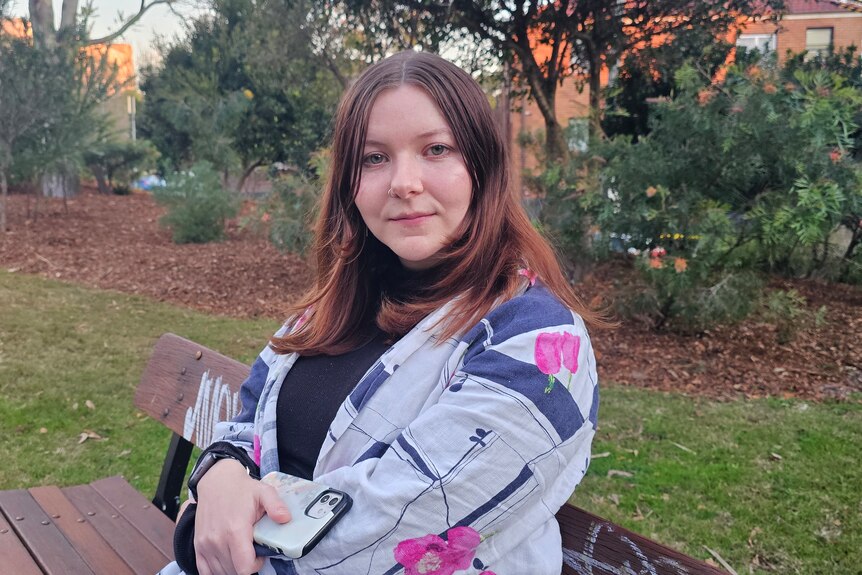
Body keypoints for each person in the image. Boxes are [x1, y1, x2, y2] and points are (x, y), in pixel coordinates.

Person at [160, 50, 602, 575]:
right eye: (374, 158)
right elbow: (250, 420)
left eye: (436, 149)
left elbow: (391, 529)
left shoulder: (538, 342)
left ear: (481, 167)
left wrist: (206, 532)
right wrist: (219, 472)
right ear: (350, 183)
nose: (403, 182)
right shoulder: (334, 306)